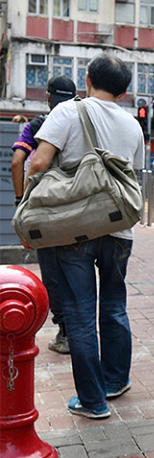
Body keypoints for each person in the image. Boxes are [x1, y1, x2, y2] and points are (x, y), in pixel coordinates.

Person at [25, 54, 144, 419]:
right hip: (118, 227)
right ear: (124, 92)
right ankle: (114, 380)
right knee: (113, 305)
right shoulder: (133, 126)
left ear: (87, 78)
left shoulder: (68, 112)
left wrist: (31, 201)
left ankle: (93, 401)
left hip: (73, 227)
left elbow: (40, 161)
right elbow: (132, 175)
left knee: (78, 314)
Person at [10, 75, 77, 354]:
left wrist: (20, 200)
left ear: (48, 97)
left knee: (52, 272)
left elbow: (18, 161)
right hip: (77, 209)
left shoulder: (37, 125)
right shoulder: (81, 123)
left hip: (45, 210)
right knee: (77, 270)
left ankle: (65, 332)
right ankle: (81, 329)